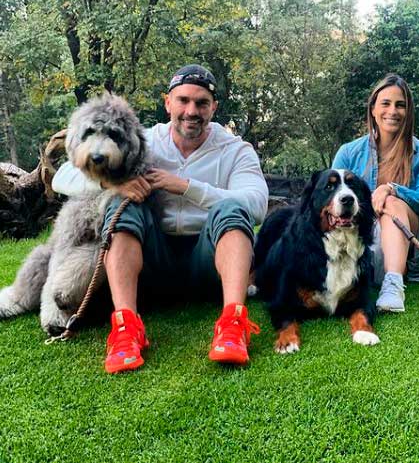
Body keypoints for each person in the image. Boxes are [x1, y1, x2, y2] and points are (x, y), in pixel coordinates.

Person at [52, 64, 268, 373]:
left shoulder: (236, 150)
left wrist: (186, 187)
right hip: (151, 260)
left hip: (208, 262)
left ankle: (233, 324)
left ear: (213, 107)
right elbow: (62, 177)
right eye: (183, 100)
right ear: (168, 103)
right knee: (123, 204)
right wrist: (112, 185)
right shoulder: (144, 139)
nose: (191, 111)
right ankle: (126, 327)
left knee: (232, 208)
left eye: (201, 103)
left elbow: (257, 205)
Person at [332, 74, 419, 313]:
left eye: (400, 105)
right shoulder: (348, 152)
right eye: (386, 103)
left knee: (391, 202)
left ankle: (393, 285)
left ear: (408, 112)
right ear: (373, 109)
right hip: (360, 234)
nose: (393, 111)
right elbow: (331, 201)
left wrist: (392, 189)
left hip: (415, 241)